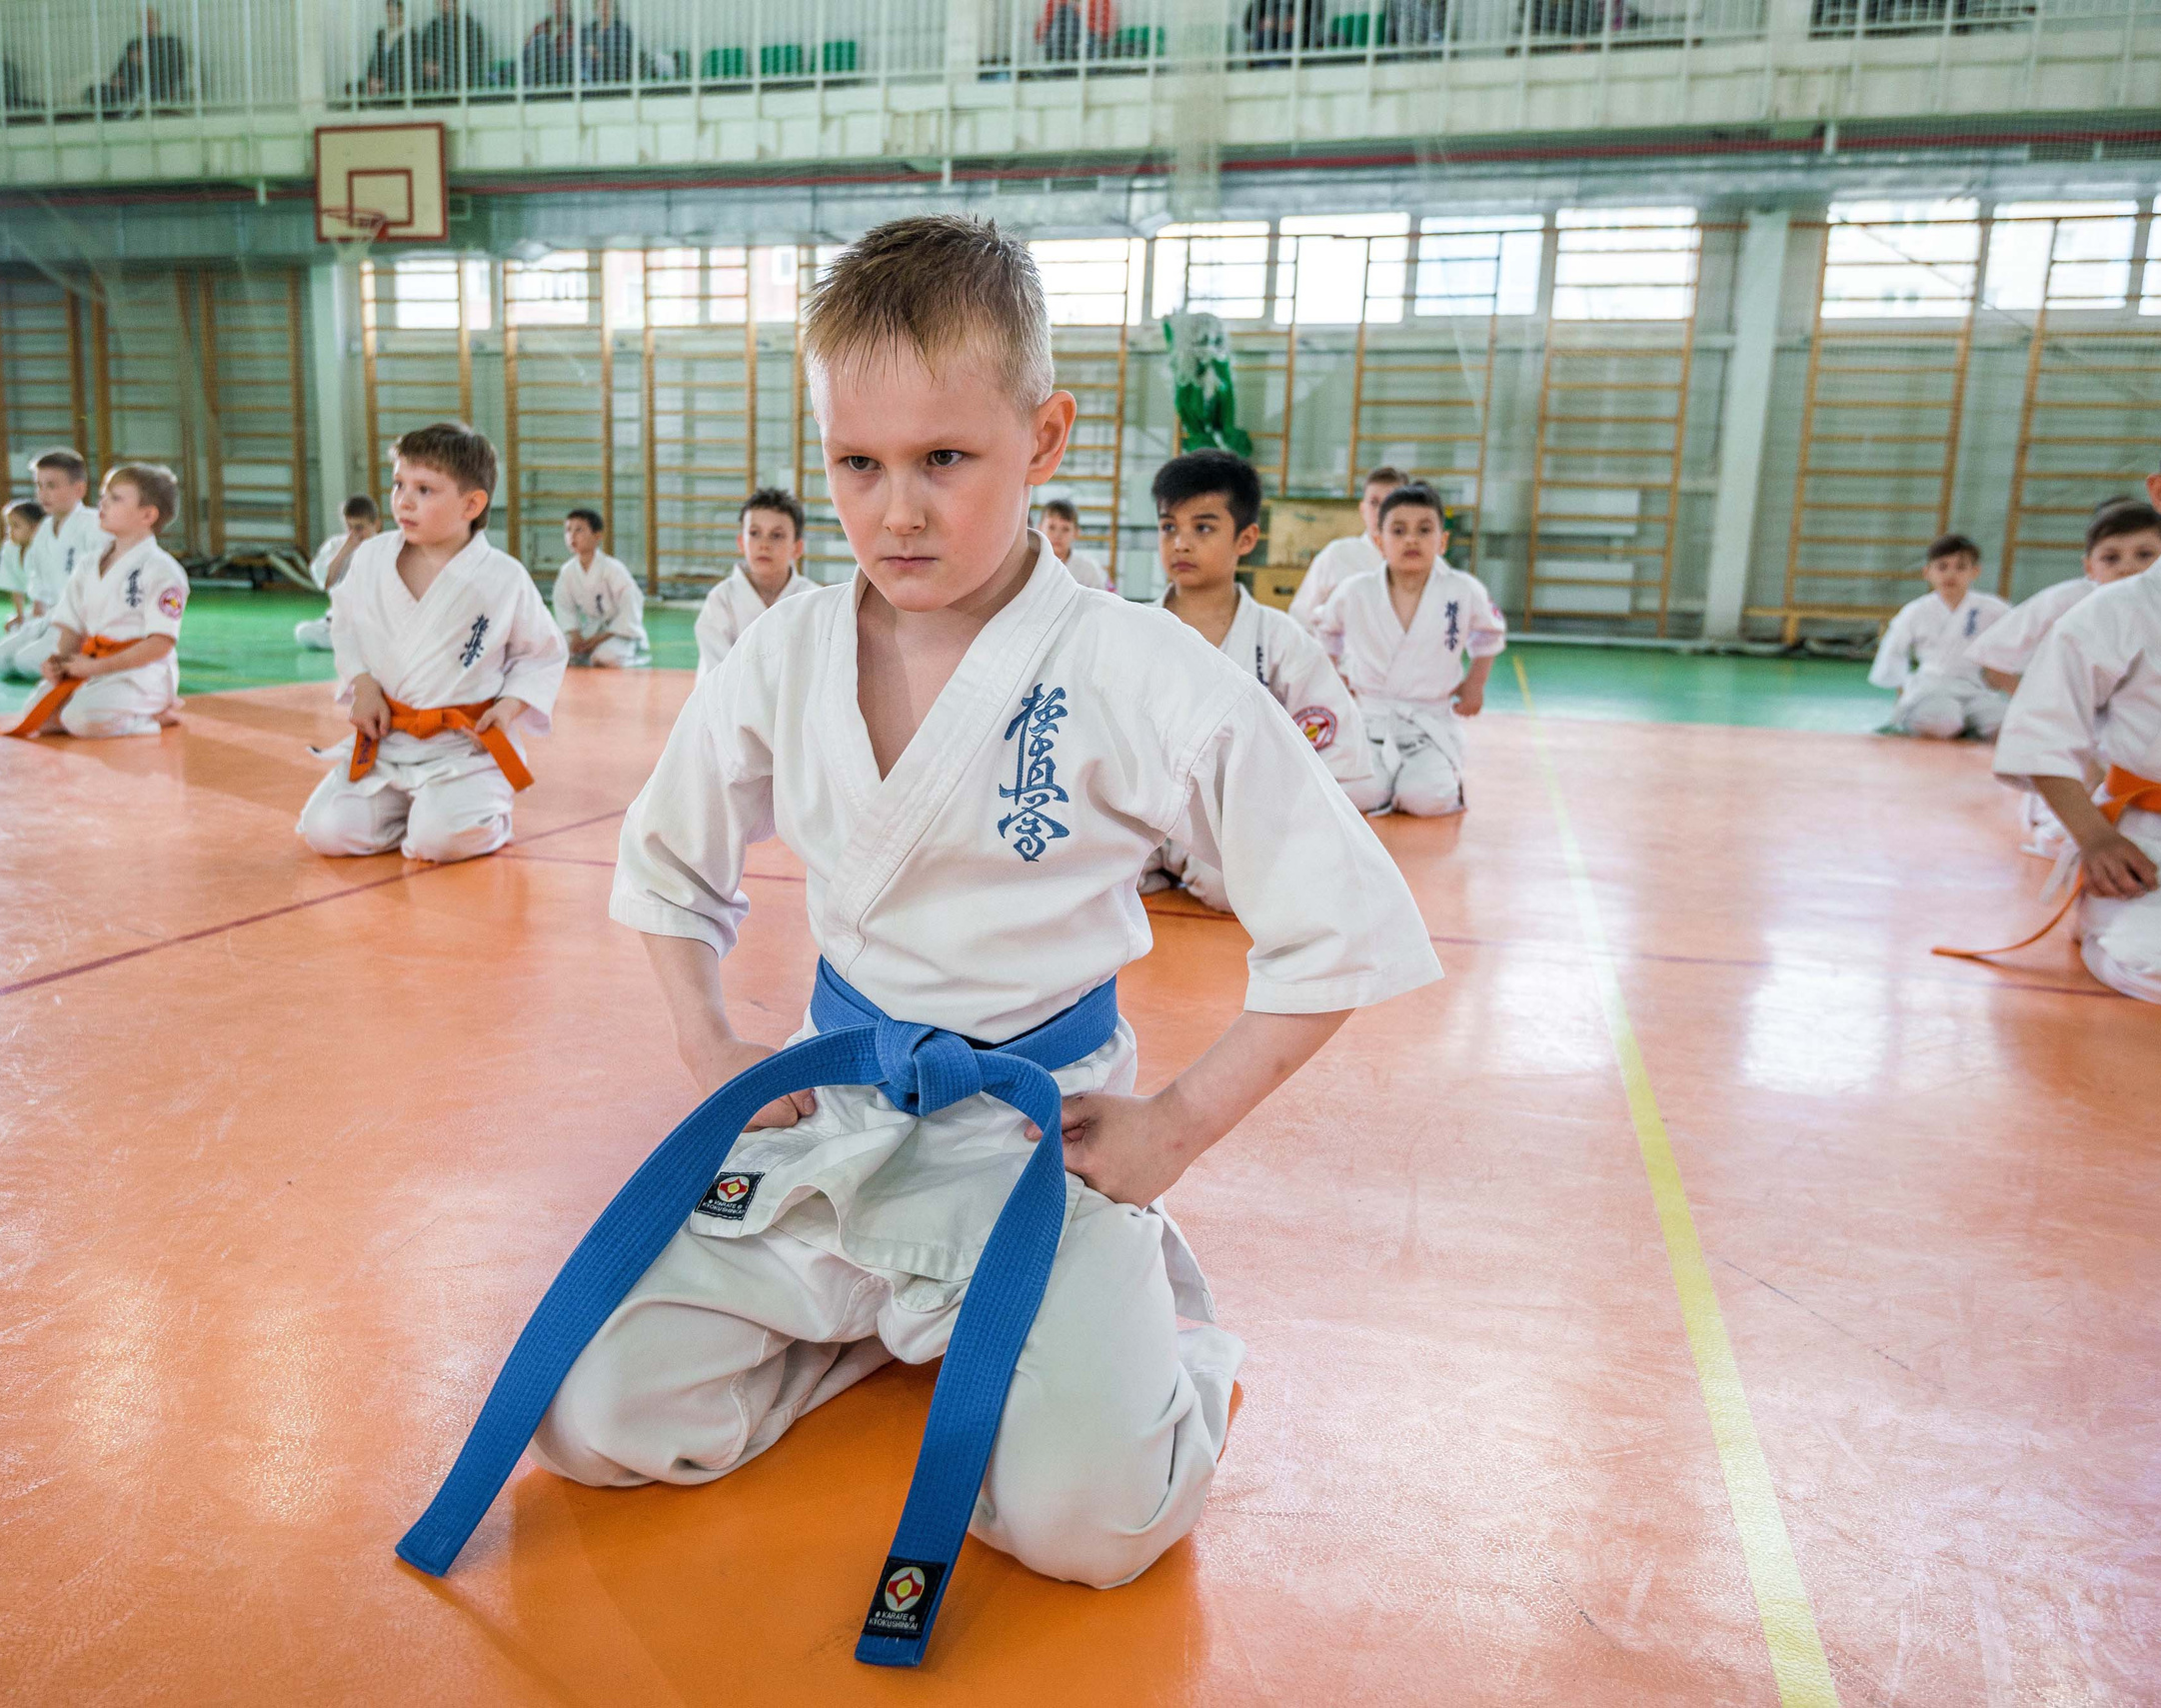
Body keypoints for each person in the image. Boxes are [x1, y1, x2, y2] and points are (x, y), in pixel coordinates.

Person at [395, 217, 1440, 1659]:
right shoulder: (790, 649)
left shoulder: (1138, 669)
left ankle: (1155, 1318)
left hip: (1039, 1138)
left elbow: (1343, 922)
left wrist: (1178, 1126)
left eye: (945, 459)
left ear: (1045, 433)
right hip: (838, 1114)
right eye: (857, 464)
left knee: (1091, 1523)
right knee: (598, 1413)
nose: (896, 514)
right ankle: (886, 1319)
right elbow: (670, 860)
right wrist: (716, 1049)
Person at [1992, 399, 2161, 1008]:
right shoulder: (2111, 612)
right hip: (2150, 846)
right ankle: (2103, 931)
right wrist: (2094, 840)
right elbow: (2041, 735)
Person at [296, 422, 565, 864]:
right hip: (389, 743)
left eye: (425, 489)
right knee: (327, 832)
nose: (403, 499)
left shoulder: (503, 577)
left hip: (464, 748)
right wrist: (362, 685)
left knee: (438, 843)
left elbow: (542, 653)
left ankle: (473, 812)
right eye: (399, 483)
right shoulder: (372, 559)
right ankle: (419, 809)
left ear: (471, 504)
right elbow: (344, 626)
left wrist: (509, 706)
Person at [1142, 451, 1385, 906]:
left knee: (1227, 888)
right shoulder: (1132, 631)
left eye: (1204, 527)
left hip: (1241, 818)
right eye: (1169, 526)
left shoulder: (1280, 641)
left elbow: (1333, 753)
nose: (1181, 543)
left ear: (1247, 538)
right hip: (1145, 816)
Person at [1970, 501, 2161, 854]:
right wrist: (2048, 710)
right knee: (2070, 838)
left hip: (2150, 751)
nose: (2129, 568)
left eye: (2145, 555)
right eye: (2112, 558)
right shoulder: (2066, 601)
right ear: (2089, 567)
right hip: (2076, 747)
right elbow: (1994, 662)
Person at [1313, 480, 1505, 816]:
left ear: (1442, 540)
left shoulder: (1463, 590)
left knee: (1426, 799)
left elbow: (1489, 635)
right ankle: (1384, 784)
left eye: (1424, 529)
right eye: (1398, 531)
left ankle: (1437, 777)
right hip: (1370, 719)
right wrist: (1334, 678)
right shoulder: (1355, 590)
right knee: (1355, 795)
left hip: (1428, 723)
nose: (1411, 539)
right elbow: (1325, 632)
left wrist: (1475, 686)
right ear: (1379, 542)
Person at [3, 464, 188, 741]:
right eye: (103, 495)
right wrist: (59, 663)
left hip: (141, 674)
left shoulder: (162, 569)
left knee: (82, 720)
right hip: (91, 664)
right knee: (40, 715)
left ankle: (150, 717)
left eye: (115, 498)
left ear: (147, 515)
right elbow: (70, 625)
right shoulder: (89, 563)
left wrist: (97, 668)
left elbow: (160, 642)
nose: (102, 503)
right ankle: (114, 706)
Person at [1870, 533, 2011, 740]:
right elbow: (1893, 653)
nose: (1951, 574)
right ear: (1927, 572)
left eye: (1961, 567)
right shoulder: (1915, 611)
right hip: (1931, 688)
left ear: (1975, 571)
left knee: (2007, 726)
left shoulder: (1994, 609)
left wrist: (2004, 679)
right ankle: (1947, 724)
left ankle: (1969, 726)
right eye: (1942, 567)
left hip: (1974, 687)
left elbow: (2017, 642)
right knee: (1943, 723)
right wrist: (1902, 698)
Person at [0, 450, 105, 682]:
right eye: (39, 486)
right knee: (0, 658)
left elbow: (103, 586)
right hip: (51, 617)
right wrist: (32, 619)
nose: (43, 494)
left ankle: (96, 660)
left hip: (83, 623)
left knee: (26, 662)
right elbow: (39, 583)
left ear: (79, 489)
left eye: (52, 486)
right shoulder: (43, 529)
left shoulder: (94, 526)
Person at [694, 487, 810, 673]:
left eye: (777, 535)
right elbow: (714, 675)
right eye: (754, 533)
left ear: (797, 547)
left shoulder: (812, 599)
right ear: (741, 542)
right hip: (732, 700)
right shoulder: (721, 600)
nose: (764, 545)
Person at [1288, 466, 1404, 639]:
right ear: (1362, 510)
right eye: (1374, 503)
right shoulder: (1338, 554)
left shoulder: (1423, 563)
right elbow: (1299, 618)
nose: (1381, 512)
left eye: (1390, 503)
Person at [552, 507, 648, 668]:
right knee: (559, 655)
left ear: (597, 536)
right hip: (591, 628)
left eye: (579, 530)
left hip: (618, 631)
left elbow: (631, 604)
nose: (572, 536)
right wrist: (575, 637)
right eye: (568, 530)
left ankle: (633, 655)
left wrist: (599, 639)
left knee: (603, 658)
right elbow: (563, 607)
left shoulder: (612, 568)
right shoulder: (567, 571)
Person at [296, 494, 384, 651]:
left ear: (376, 524)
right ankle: (354, 644)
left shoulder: (387, 548)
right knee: (304, 632)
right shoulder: (335, 545)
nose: (353, 534)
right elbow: (326, 582)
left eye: (359, 528)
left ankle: (360, 643)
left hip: (374, 622)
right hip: (340, 621)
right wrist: (344, 551)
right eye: (348, 527)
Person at [94, 9, 190, 114]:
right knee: (93, 92)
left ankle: (132, 110)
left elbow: (177, 70)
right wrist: (116, 79)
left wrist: (147, 60)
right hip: (128, 88)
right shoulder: (133, 43)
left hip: (156, 87)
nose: (147, 25)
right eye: (144, 22)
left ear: (158, 22)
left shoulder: (170, 42)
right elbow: (119, 70)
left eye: (150, 21)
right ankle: (128, 111)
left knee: (149, 92)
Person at [415, 0, 493, 95]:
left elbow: (473, 58)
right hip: (432, 79)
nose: (443, 4)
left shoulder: (470, 26)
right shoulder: (432, 26)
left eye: (446, 1)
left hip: (460, 78)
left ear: (455, 3)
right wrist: (426, 65)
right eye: (440, 2)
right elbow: (423, 52)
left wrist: (441, 68)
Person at [0, 499, 46, 630]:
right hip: (36, 607)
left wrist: (38, 608)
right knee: (12, 627)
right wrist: (19, 614)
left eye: (15, 526)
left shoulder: (45, 547)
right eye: (8, 525)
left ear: (34, 527)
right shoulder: (9, 548)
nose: (9, 530)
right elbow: (15, 584)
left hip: (54, 606)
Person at [1038, 497, 1109, 591]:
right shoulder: (1030, 565)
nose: (1057, 535)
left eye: (1065, 529)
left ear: (1076, 532)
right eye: (1051, 527)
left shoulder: (1089, 570)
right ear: (1039, 528)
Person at [1037, 0, 1113, 62]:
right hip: (1062, 43)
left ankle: (1069, 56)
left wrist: (1083, 20)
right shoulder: (1059, 3)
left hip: (1089, 38)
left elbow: (1106, 28)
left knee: (1068, 14)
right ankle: (1061, 58)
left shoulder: (1099, 2)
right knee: (1065, 12)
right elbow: (1041, 31)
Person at [520, 0, 575, 87]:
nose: (557, 5)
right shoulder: (541, 26)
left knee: (543, 42)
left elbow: (569, 50)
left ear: (568, 5)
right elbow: (528, 46)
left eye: (561, 2)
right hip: (538, 65)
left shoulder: (573, 27)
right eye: (555, 2)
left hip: (560, 65)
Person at [363, 0, 412, 97]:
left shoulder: (410, 35)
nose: (390, 16)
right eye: (388, 12)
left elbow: (406, 67)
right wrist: (370, 80)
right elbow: (374, 59)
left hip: (396, 82)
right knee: (351, 88)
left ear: (401, 12)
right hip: (378, 81)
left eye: (393, 12)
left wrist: (383, 83)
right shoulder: (381, 34)